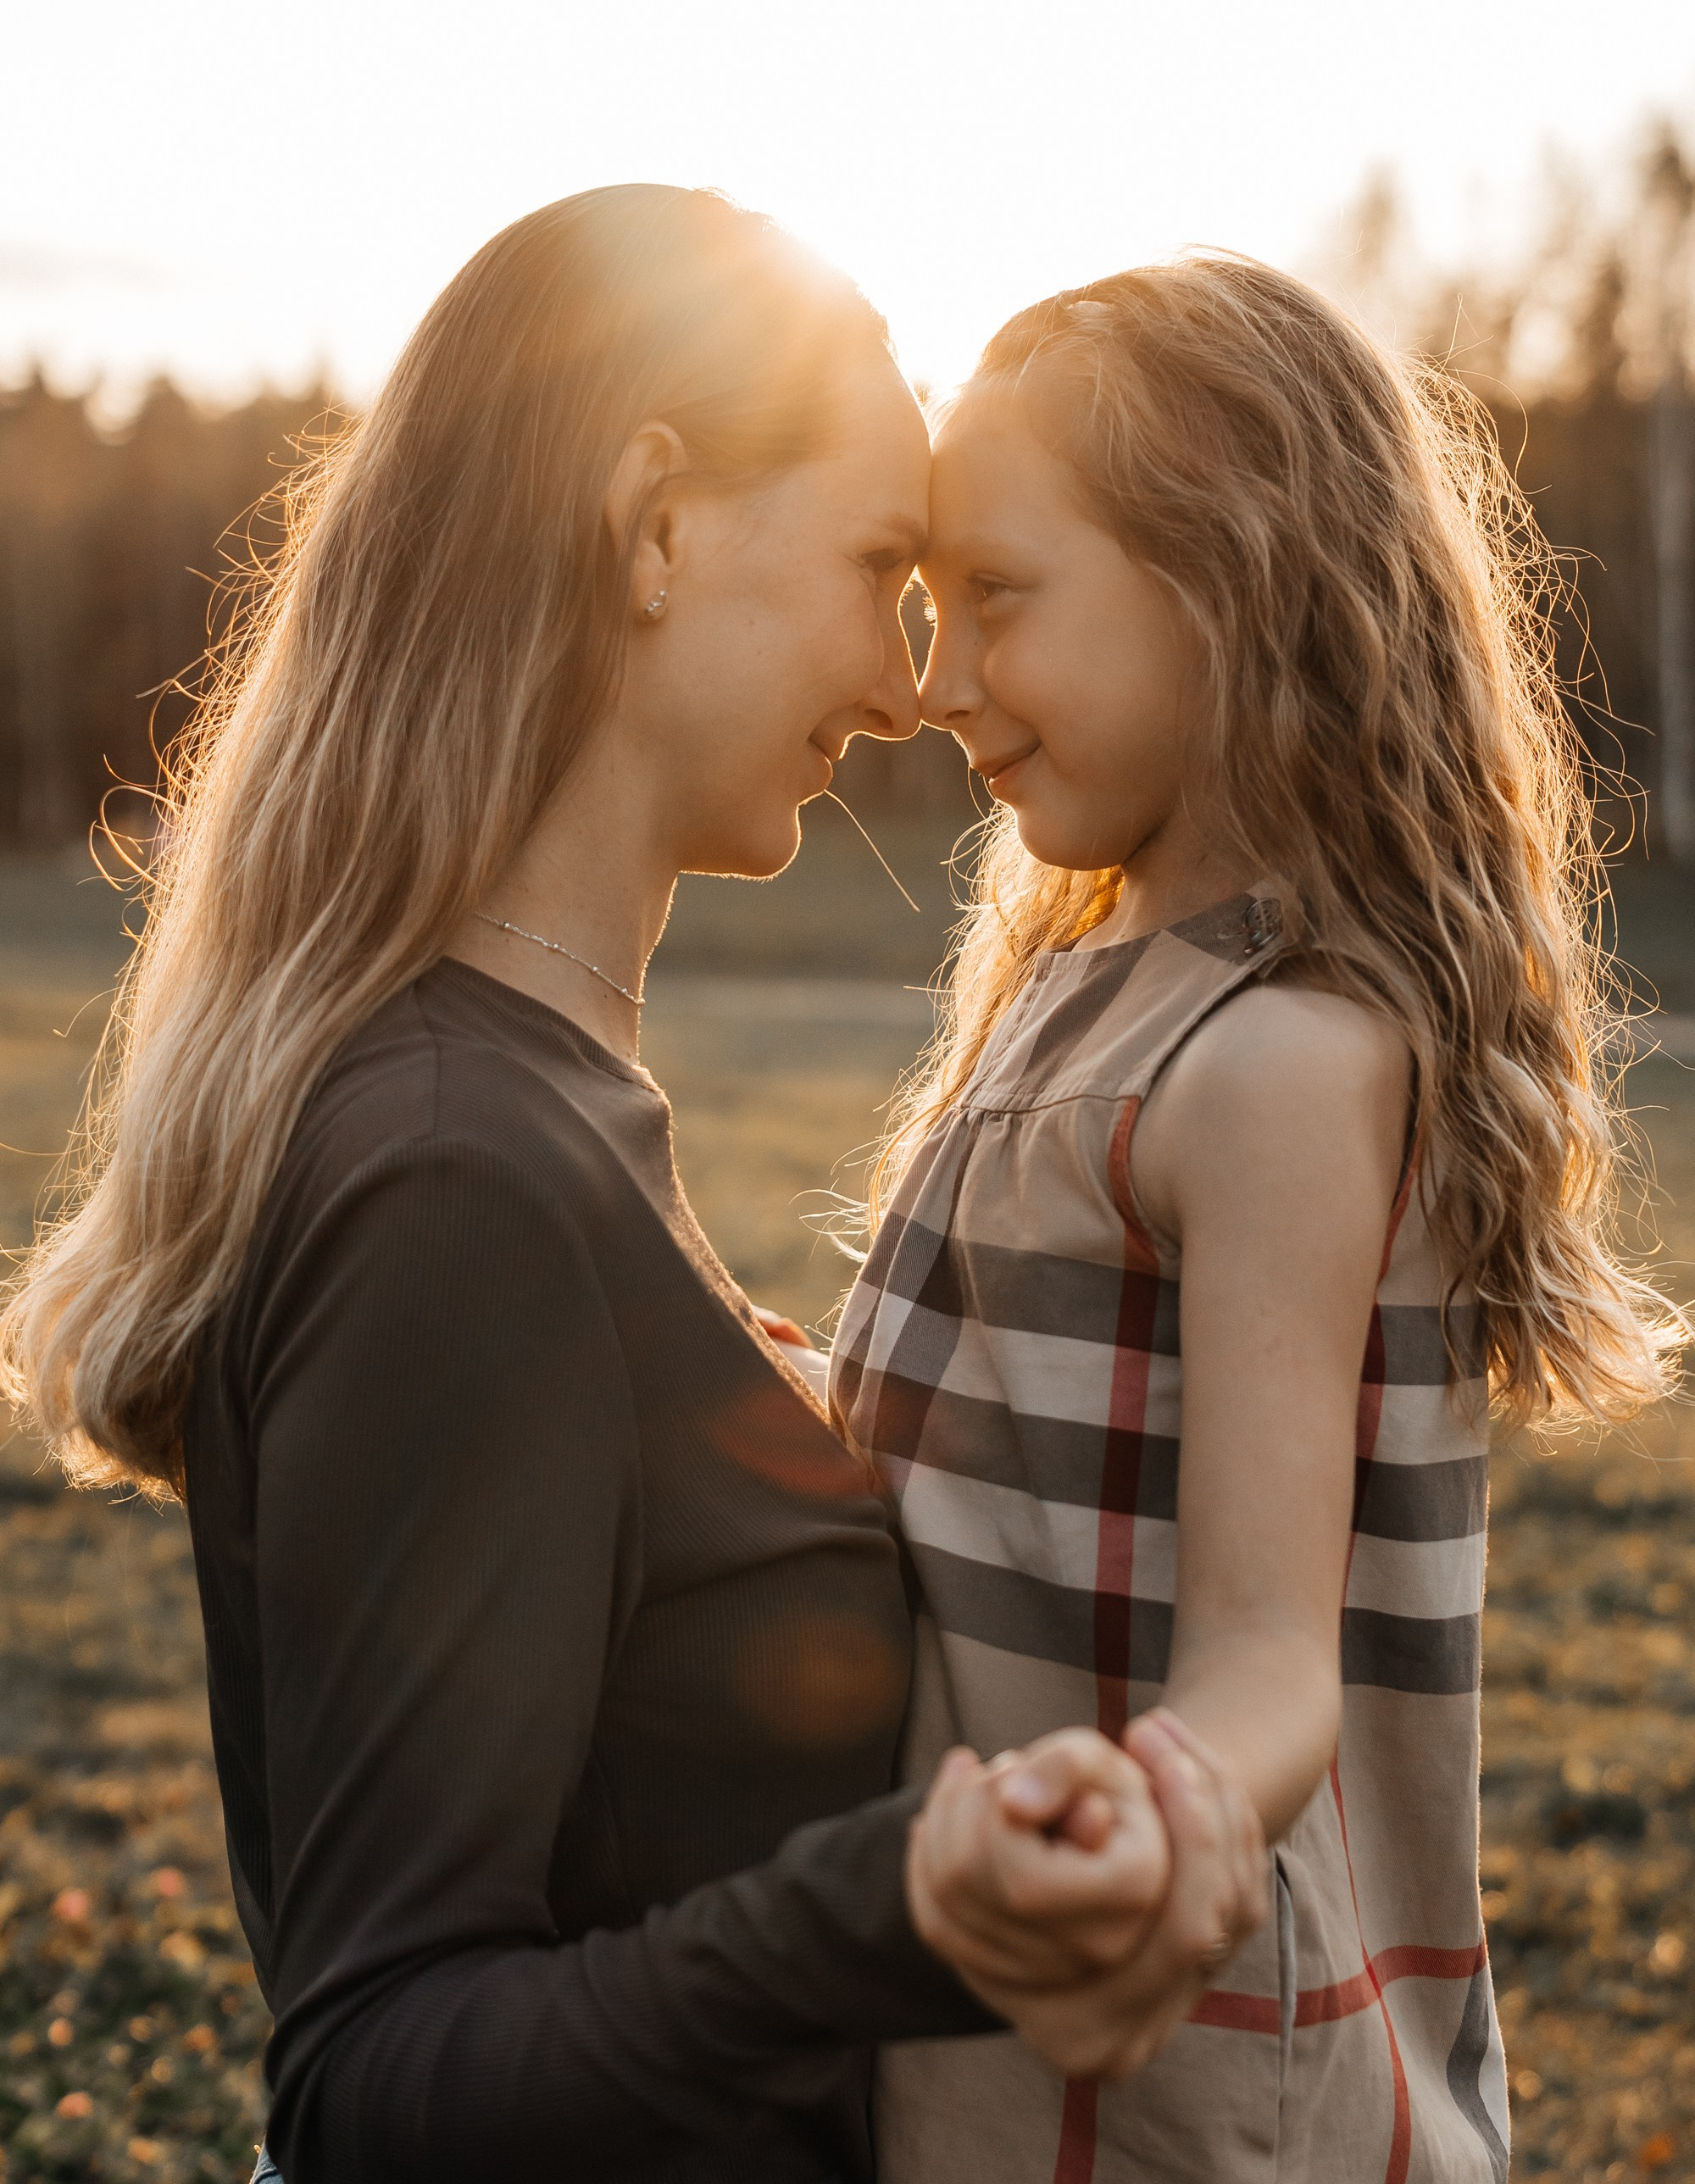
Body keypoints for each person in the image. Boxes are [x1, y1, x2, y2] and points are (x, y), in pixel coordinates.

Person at [0, 190, 1262, 2184]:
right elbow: (375, 2085)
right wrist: (900, 1917)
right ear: (657, 528)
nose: (907, 681)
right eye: (876, 567)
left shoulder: (535, 1108)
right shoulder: (452, 1178)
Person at [832, 256, 1681, 2184]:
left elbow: (1268, 1654)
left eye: (1000, 600)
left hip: (1182, 2081)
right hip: (982, 2025)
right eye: (924, 606)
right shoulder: (1081, 979)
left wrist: (1168, 1808)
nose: (936, 679)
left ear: (1229, 578)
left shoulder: (1282, 1059)